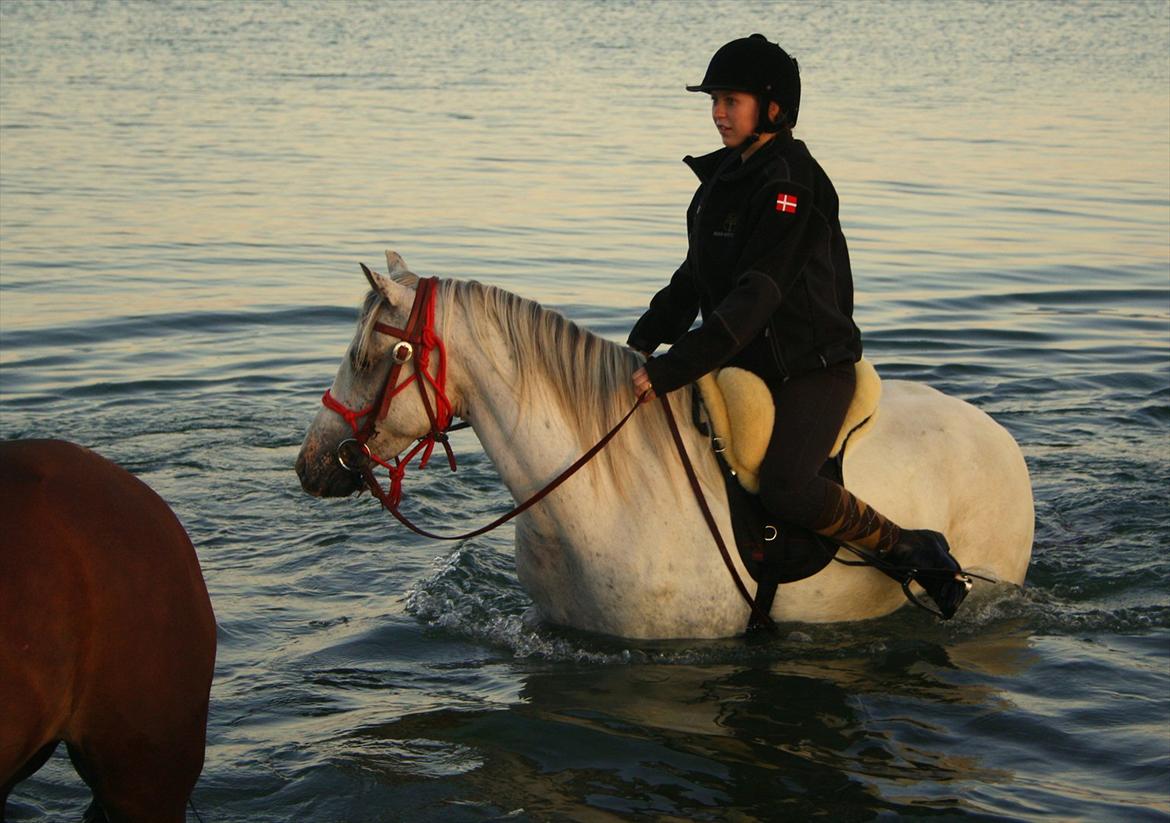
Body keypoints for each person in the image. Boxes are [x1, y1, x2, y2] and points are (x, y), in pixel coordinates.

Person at [628, 34, 970, 619]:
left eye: (731, 100)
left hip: (809, 366)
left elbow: (758, 292)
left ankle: (911, 548)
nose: (717, 112)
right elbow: (693, 280)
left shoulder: (791, 182)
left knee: (787, 485)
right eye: (713, 100)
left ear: (774, 109)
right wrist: (636, 347)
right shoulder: (725, 178)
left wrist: (677, 366)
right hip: (741, 359)